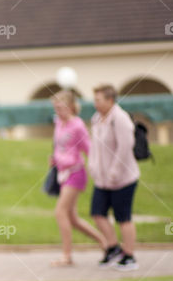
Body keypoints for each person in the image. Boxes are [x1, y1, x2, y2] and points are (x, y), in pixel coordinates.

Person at [49, 89, 107, 266]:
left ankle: (67, 256)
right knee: (72, 218)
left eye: (62, 107)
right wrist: (55, 158)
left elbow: (89, 150)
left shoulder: (78, 126)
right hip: (62, 173)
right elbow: (60, 147)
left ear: (72, 107)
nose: (59, 111)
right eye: (56, 108)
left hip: (76, 173)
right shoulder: (59, 122)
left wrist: (98, 171)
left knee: (60, 212)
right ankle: (105, 243)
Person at [88, 84, 140, 271]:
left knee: (123, 218)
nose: (95, 103)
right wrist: (92, 165)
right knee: (97, 213)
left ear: (110, 100)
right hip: (102, 180)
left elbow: (125, 147)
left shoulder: (120, 118)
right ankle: (113, 248)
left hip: (123, 179)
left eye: (98, 99)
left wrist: (115, 172)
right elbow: (94, 146)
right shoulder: (97, 119)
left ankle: (129, 255)